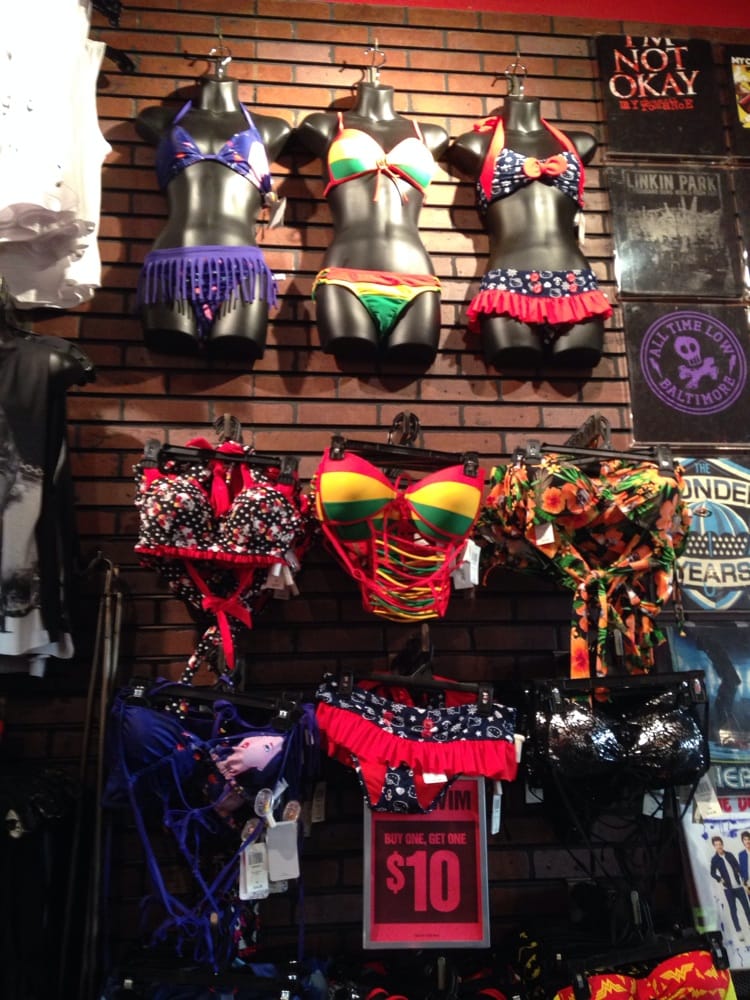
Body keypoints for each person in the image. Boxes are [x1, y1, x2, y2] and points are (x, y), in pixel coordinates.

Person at [134, 54, 291, 361]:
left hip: (241, 267)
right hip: (172, 262)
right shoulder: (158, 121)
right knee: (169, 358)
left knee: (237, 358)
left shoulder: (272, 128)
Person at [449, 79, 611, 370]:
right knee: (511, 364)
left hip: (574, 280)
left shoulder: (580, 142)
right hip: (508, 283)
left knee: (579, 362)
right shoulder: (475, 144)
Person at [296, 73, 449, 366]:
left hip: (416, 275)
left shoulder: (431, 134)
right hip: (346, 273)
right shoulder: (324, 126)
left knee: (411, 370)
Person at [709, 835, 750, 939]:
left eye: (720, 844)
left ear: (722, 844)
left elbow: (738, 866)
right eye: (716, 845)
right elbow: (712, 873)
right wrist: (719, 879)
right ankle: (739, 931)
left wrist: (743, 879)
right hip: (728, 889)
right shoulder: (714, 859)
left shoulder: (729, 855)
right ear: (714, 846)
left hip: (738, 886)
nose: (719, 846)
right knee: (733, 910)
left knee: (747, 908)